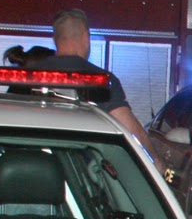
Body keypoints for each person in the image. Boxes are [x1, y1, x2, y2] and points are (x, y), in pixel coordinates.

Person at [24, 9, 156, 161]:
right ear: (86, 37)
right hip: (81, 176)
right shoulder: (99, 80)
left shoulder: (23, 78)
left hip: (29, 169)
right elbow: (130, 130)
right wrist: (159, 164)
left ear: (55, 39)